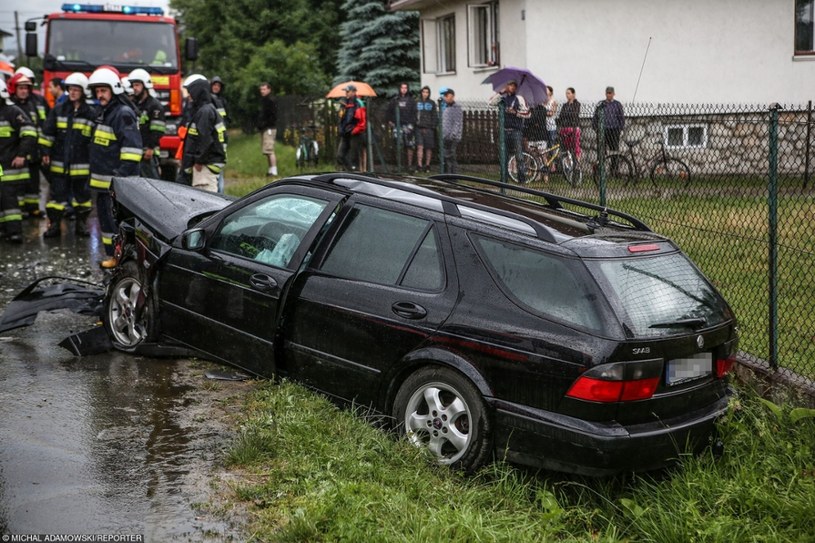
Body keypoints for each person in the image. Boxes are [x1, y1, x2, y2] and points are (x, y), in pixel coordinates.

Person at [87, 66, 142, 267]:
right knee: (107, 225)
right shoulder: (105, 112)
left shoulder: (122, 113)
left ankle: (121, 259)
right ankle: (113, 256)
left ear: (114, 90)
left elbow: (132, 151)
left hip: (116, 185)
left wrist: (118, 179)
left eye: (104, 91)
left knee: (117, 224)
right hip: (104, 185)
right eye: (97, 91)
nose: (100, 95)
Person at [39, 72, 96, 238]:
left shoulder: (91, 113)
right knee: (57, 197)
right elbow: (47, 133)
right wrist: (45, 152)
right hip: (59, 162)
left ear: (83, 91)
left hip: (82, 164)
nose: (72, 92)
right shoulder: (58, 110)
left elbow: (94, 139)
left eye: (76, 89)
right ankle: (54, 226)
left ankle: (81, 225)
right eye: (70, 89)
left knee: (82, 197)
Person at [0, 78, 37, 244]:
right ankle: (4, 230)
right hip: (2, 166)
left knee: (9, 200)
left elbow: (29, 133)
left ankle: (15, 233)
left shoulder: (12, 111)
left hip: (10, 165)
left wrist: (22, 154)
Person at [8, 71, 47, 217]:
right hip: (17, 154)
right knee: (18, 184)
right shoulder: (10, 107)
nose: (24, 91)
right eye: (21, 88)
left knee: (33, 183)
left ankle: (33, 208)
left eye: (26, 88)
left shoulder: (33, 105)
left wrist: (43, 151)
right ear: (14, 89)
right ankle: (20, 210)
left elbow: (39, 129)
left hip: (34, 152)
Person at [180, 74, 226, 193]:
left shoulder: (204, 112)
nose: (189, 96)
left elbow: (205, 139)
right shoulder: (207, 109)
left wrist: (199, 161)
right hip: (208, 163)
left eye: (191, 92)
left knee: (205, 201)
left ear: (198, 92)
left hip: (204, 166)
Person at [489, 80, 530, 183]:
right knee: (504, 155)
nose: (510, 87)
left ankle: (521, 178)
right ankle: (504, 178)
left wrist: (515, 112)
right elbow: (491, 103)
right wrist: (501, 92)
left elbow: (527, 113)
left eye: (512, 86)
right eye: (508, 85)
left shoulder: (519, 98)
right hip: (504, 130)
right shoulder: (503, 98)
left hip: (516, 131)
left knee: (519, 155)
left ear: (515, 87)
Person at [128, 69, 166, 179]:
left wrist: (150, 148)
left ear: (145, 86)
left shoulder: (155, 105)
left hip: (149, 153)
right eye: (133, 85)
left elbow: (157, 130)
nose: (134, 88)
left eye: (137, 85)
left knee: (152, 182)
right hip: (135, 151)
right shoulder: (133, 104)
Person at [336, 84, 367, 171]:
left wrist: (355, 130)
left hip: (355, 134)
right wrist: (341, 129)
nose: (346, 93)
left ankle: (354, 172)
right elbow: (340, 118)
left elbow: (362, 121)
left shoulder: (358, 104)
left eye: (348, 91)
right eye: (345, 91)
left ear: (353, 92)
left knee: (354, 158)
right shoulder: (344, 103)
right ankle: (349, 171)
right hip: (345, 133)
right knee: (340, 156)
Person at [387, 82, 417, 172]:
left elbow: (415, 113)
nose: (404, 89)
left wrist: (412, 124)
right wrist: (390, 121)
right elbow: (389, 112)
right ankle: (399, 165)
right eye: (402, 87)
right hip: (397, 126)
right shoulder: (395, 100)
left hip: (408, 126)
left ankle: (409, 166)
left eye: (405, 88)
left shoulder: (411, 100)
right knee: (398, 145)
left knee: (410, 146)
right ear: (399, 88)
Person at [593, 85, 625, 156]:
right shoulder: (601, 104)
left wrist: (621, 129)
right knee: (601, 150)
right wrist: (595, 128)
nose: (609, 95)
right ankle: (601, 165)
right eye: (607, 93)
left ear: (614, 94)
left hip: (614, 130)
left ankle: (614, 166)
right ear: (605, 94)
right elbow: (595, 117)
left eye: (610, 93)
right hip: (603, 130)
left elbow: (621, 118)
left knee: (614, 150)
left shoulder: (617, 104)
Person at [210, 76, 229, 192]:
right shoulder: (209, 100)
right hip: (214, 136)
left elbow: (226, 119)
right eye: (214, 85)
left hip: (221, 137)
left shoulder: (222, 101)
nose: (216, 87)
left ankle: (220, 192)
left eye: (218, 86)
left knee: (219, 166)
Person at [415, 86, 437, 173]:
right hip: (418, 128)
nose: (425, 94)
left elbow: (434, 115)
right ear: (421, 93)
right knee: (419, 147)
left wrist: (432, 126)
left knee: (429, 148)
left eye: (427, 92)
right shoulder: (417, 102)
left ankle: (427, 165)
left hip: (429, 129)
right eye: (424, 92)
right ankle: (419, 165)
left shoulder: (432, 103)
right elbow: (414, 114)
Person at [258, 82, 278, 177]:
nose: (262, 91)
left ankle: (274, 170)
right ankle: (270, 169)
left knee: (270, 150)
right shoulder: (264, 100)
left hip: (269, 128)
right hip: (265, 128)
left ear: (269, 89)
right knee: (266, 150)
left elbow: (272, 116)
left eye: (264, 89)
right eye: (261, 89)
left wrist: (265, 124)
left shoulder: (271, 101)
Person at [441, 88, 462, 174]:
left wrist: (452, 135)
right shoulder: (446, 108)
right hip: (446, 136)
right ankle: (447, 175)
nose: (446, 98)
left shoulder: (456, 108)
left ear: (452, 96)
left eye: (448, 96)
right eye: (445, 96)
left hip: (453, 137)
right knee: (446, 157)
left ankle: (453, 176)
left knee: (451, 157)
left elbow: (457, 123)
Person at [558, 87, 582, 161]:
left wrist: (566, 115)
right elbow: (561, 116)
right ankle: (569, 165)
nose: (567, 95)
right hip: (565, 127)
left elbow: (574, 114)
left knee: (576, 146)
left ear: (573, 94)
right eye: (566, 93)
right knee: (566, 148)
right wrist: (566, 115)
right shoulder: (565, 105)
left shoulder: (577, 104)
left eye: (568, 93)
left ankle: (578, 163)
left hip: (573, 127)